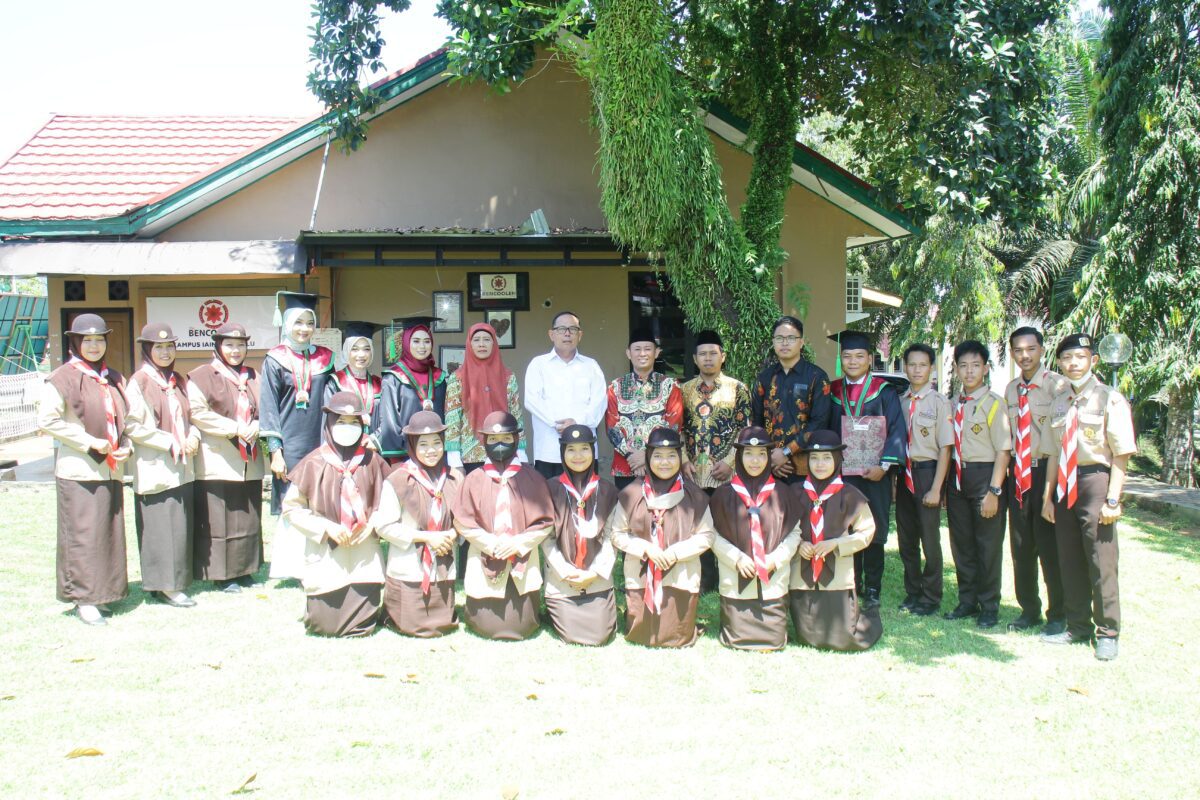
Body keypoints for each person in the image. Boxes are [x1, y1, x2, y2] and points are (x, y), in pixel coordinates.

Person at [1041, 333, 1136, 661]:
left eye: (1079, 357)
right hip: (1064, 484)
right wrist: (1046, 496)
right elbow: (1053, 452)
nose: (1073, 363)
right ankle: (1077, 626)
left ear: (1093, 360)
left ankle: (1108, 631)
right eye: (1067, 358)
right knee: (1068, 558)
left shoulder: (1109, 399)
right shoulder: (1059, 399)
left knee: (1101, 559)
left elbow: (1121, 454)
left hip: (1095, 480)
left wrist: (1112, 499)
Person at [38, 314, 131, 626]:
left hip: (110, 469)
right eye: (87, 340)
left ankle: (103, 593)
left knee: (106, 533)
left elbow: (125, 421)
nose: (94, 345)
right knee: (82, 535)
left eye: (99, 339)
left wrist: (126, 445)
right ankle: (82, 599)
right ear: (75, 343)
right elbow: (48, 420)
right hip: (79, 469)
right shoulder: (62, 377)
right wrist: (88, 441)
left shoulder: (114, 377)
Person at [281, 392, 388, 637]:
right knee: (325, 626)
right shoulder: (313, 462)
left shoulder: (373, 461)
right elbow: (292, 508)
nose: (348, 428)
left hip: (364, 556)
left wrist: (372, 524)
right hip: (327, 556)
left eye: (354, 422)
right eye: (341, 421)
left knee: (364, 625)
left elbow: (390, 505)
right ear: (329, 423)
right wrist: (326, 528)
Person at [610, 427, 715, 648]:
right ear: (648, 458)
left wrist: (675, 553)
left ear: (680, 458)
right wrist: (646, 549)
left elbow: (706, 536)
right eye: (658, 456)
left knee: (676, 634)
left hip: (680, 575)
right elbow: (617, 534)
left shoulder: (694, 496)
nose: (664, 462)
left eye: (671, 456)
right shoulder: (632, 494)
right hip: (641, 576)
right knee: (642, 633)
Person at [452, 411, 553, 640]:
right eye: (493, 440)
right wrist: (491, 543)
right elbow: (462, 521)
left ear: (516, 440)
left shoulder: (532, 478)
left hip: (522, 562)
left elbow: (545, 522)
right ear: (484, 442)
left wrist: (518, 543)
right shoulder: (474, 479)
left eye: (507, 439)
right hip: (486, 556)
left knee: (522, 624)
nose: (500, 444)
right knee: (486, 624)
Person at [827, 330, 906, 609]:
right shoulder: (832, 391)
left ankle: (872, 587)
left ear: (869, 358)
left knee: (874, 529)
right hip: (841, 475)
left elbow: (897, 430)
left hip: (875, 475)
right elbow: (825, 431)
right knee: (845, 526)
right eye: (847, 356)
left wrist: (884, 466)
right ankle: (851, 583)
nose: (852, 361)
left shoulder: (884, 391)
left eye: (859, 356)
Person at [260, 291, 336, 581]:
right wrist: (275, 451)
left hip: (319, 440)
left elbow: (332, 398)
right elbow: (268, 408)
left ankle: (318, 560)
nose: (304, 329)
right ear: (287, 324)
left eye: (309, 323)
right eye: (298, 323)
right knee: (292, 501)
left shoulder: (325, 359)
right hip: (290, 443)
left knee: (319, 498)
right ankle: (291, 566)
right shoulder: (275, 360)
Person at [124, 322, 201, 608]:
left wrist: (192, 436)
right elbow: (132, 425)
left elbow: (190, 418)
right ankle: (165, 586)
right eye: (158, 347)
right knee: (160, 526)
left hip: (181, 466)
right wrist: (168, 440)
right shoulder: (140, 382)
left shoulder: (176, 380)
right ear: (147, 349)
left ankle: (170, 583)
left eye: (169, 346)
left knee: (178, 524)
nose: (165, 352)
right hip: (156, 465)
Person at [187, 322, 266, 593]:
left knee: (247, 515)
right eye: (229, 345)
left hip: (250, 458)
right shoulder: (201, 375)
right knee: (219, 517)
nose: (235, 350)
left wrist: (255, 426)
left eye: (241, 345)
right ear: (218, 346)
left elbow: (265, 408)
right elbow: (197, 412)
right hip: (218, 458)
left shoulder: (253, 375)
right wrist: (235, 428)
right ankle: (223, 574)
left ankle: (245, 569)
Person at [709, 426, 803, 651]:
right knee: (736, 637)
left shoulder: (783, 492)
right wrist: (737, 558)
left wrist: (775, 559)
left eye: (762, 454)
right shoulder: (723, 494)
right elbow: (710, 533)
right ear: (739, 457)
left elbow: (795, 533)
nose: (755, 460)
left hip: (773, 579)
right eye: (748, 454)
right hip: (736, 578)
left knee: (774, 639)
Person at [788, 430, 882, 651]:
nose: (820, 464)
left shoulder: (850, 494)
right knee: (807, 638)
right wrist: (799, 544)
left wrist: (837, 544)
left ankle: (871, 620)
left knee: (844, 639)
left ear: (837, 460)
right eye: (815, 458)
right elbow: (781, 531)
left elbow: (867, 531)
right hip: (801, 576)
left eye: (827, 458)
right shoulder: (794, 492)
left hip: (837, 576)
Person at [375, 411, 464, 637]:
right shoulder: (398, 479)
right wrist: (426, 537)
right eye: (423, 444)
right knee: (412, 623)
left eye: (436, 443)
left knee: (442, 622)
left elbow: (466, 519)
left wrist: (452, 535)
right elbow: (384, 526)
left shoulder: (455, 478)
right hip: (410, 569)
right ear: (413, 446)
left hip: (444, 565)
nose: (431, 450)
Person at [1004, 327, 1069, 634]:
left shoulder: (1058, 386)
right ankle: (1028, 610)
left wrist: (1052, 489)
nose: (1024, 355)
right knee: (1021, 546)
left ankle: (1058, 613)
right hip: (1018, 473)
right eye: (1018, 350)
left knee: (1049, 546)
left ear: (1042, 350)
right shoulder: (1011, 389)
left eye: (1030, 349)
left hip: (1046, 470)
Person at [944, 340, 1011, 629]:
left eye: (975, 365)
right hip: (957, 479)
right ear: (956, 369)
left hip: (984, 477)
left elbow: (1004, 450)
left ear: (985, 368)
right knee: (962, 545)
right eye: (963, 365)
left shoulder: (994, 403)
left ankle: (990, 606)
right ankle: (967, 601)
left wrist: (994, 491)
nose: (969, 371)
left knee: (987, 545)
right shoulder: (953, 403)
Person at [680, 329, 751, 592]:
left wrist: (731, 462)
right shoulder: (684, 390)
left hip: (725, 472)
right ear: (695, 359)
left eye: (713, 353)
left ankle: (728, 574)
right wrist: (683, 460)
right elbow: (678, 428)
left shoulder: (738, 389)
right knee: (696, 523)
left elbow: (746, 430)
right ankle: (704, 578)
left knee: (724, 522)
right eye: (703, 354)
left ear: (723, 356)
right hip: (692, 472)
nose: (708, 358)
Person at [542, 425, 619, 646]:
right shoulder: (550, 488)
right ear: (562, 453)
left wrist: (594, 573)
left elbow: (611, 539)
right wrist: (566, 572)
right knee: (571, 635)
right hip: (562, 580)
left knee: (601, 635)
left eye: (584, 449)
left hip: (597, 579)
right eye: (571, 450)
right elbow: (546, 540)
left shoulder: (607, 490)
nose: (578, 456)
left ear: (593, 452)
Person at [894, 343, 953, 616]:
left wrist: (936, 488)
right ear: (905, 367)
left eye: (922, 365)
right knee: (907, 540)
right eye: (912, 364)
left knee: (930, 540)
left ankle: (931, 596)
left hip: (928, 473)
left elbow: (946, 448)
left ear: (931, 368)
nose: (917, 370)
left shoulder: (940, 403)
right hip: (903, 474)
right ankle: (913, 592)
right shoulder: (900, 401)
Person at [523, 311, 607, 479]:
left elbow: (600, 402)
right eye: (562, 329)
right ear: (551, 334)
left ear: (580, 335)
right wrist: (559, 424)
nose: (567, 333)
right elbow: (532, 401)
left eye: (573, 329)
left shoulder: (591, 366)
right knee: (550, 502)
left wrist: (576, 423)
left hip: (584, 451)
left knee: (585, 501)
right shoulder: (538, 364)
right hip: (549, 450)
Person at [751, 316, 832, 484]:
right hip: (770, 466)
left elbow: (819, 422)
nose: (785, 343)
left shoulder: (817, 377)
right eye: (779, 338)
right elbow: (757, 422)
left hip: (806, 466)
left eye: (791, 338)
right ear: (773, 342)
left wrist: (786, 452)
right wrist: (771, 457)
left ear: (801, 342)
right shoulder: (765, 378)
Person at [605, 327, 683, 490]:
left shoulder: (670, 386)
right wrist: (632, 455)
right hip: (626, 465)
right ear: (628, 353)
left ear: (656, 353)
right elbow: (612, 427)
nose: (642, 354)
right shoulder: (615, 387)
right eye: (637, 349)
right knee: (626, 513)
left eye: (648, 349)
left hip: (660, 464)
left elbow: (674, 426)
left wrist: (647, 455)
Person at [445, 322, 525, 473]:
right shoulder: (457, 378)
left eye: (487, 339)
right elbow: (452, 419)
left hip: (504, 451)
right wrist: (454, 458)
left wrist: (521, 451)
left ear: (494, 343)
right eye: (476, 340)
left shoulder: (508, 377)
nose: (482, 344)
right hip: (469, 456)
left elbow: (516, 415)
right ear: (469, 344)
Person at [376, 320, 446, 464]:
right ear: (406, 343)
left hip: (435, 454)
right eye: (416, 341)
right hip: (405, 456)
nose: (422, 346)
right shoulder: (393, 378)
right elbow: (390, 422)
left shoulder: (440, 377)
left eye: (427, 341)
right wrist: (396, 459)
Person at [325, 321, 382, 416]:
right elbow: (329, 418)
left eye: (366, 349)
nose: (361, 354)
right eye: (354, 349)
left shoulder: (379, 383)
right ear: (346, 351)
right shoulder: (336, 381)